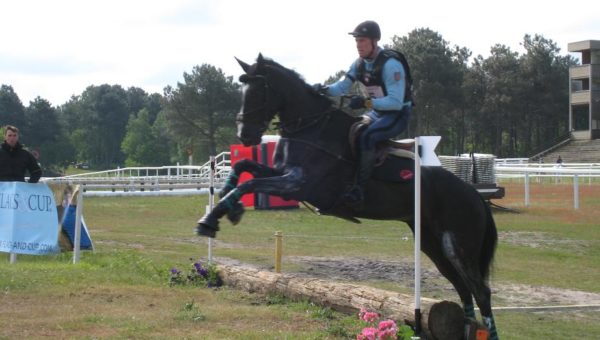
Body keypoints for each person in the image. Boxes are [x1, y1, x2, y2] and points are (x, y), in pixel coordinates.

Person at [313, 20, 413, 209]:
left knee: (368, 136)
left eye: (363, 41)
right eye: (357, 41)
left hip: (397, 115)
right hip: (378, 112)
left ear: (374, 42)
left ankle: (359, 188)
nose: (359, 45)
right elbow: (341, 87)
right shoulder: (359, 65)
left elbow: (395, 102)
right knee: (350, 129)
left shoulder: (391, 65)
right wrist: (322, 89)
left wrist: (366, 102)